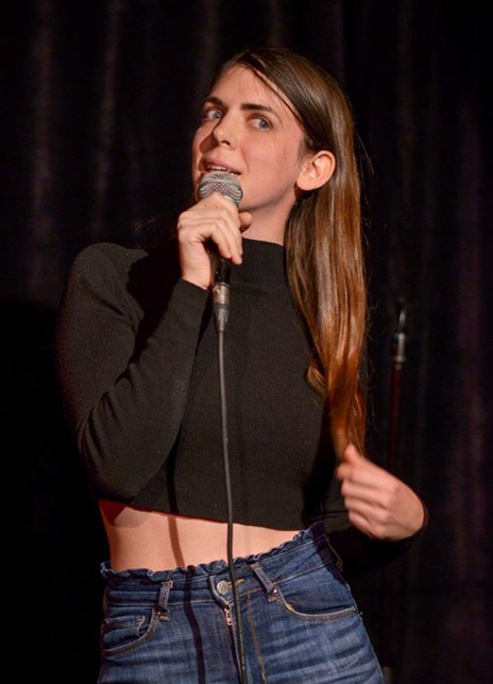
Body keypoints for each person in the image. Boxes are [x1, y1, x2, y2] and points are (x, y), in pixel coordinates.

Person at [56, 46, 426, 683]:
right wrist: (192, 285)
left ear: (314, 167)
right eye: (213, 112)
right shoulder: (114, 277)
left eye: (259, 119)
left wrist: (408, 523)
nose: (221, 132)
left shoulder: (325, 317)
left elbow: (335, 524)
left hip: (305, 619)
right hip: (157, 631)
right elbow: (117, 463)